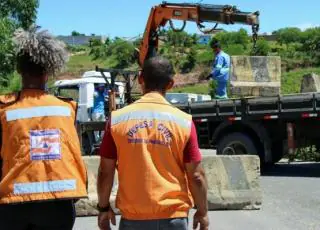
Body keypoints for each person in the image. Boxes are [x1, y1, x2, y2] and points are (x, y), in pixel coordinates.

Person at [97, 56, 209, 230]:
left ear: (141, 78)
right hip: (174, 219)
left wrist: (103, 208)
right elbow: (196, 176)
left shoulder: (117, 120)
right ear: (170, 84)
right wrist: (202, 212)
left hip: (133, 220)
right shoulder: (183, 122)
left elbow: (105, 171)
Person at [0, 26, 88, 230]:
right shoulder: (66, 109)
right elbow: (73, 153)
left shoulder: (5, 109)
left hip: (12, 204)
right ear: (48, 72)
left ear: (19, 70)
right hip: (58, 203)